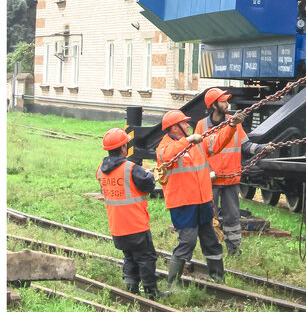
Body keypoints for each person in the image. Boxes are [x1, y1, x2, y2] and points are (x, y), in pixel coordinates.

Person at [155, 107, 240, 290]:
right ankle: (173, 284)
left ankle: (218, 279)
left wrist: (231, 126)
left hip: (202, 201)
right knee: (187, 241)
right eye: (184, 122)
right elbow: (167, 155)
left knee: (211, 240)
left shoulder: (195, 144)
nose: (188, 124)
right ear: (175, 127)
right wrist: (187, 140)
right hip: (183, 204)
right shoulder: (164, 147)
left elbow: (216, 143)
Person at [194, 88, 272, 257]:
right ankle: (211, 249)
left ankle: (234, 250)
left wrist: (261, 148)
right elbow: (197, 153)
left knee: (232, 218)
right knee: (209, 217)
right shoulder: (201, 126)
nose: (226, 103)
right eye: (223, 101)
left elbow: (246, 145)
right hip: (211, 180)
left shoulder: (234, 122)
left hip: (230, 180)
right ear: (214, 105)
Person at [97, 127, 165, 299]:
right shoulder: (130, 168)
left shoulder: (100, 170)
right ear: (123, 148)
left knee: (129, 257)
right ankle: (152, 292)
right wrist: (151, 175)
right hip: (135, 224)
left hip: (117, 226)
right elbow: (148, 185)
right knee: (146, 258)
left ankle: (131, 290)